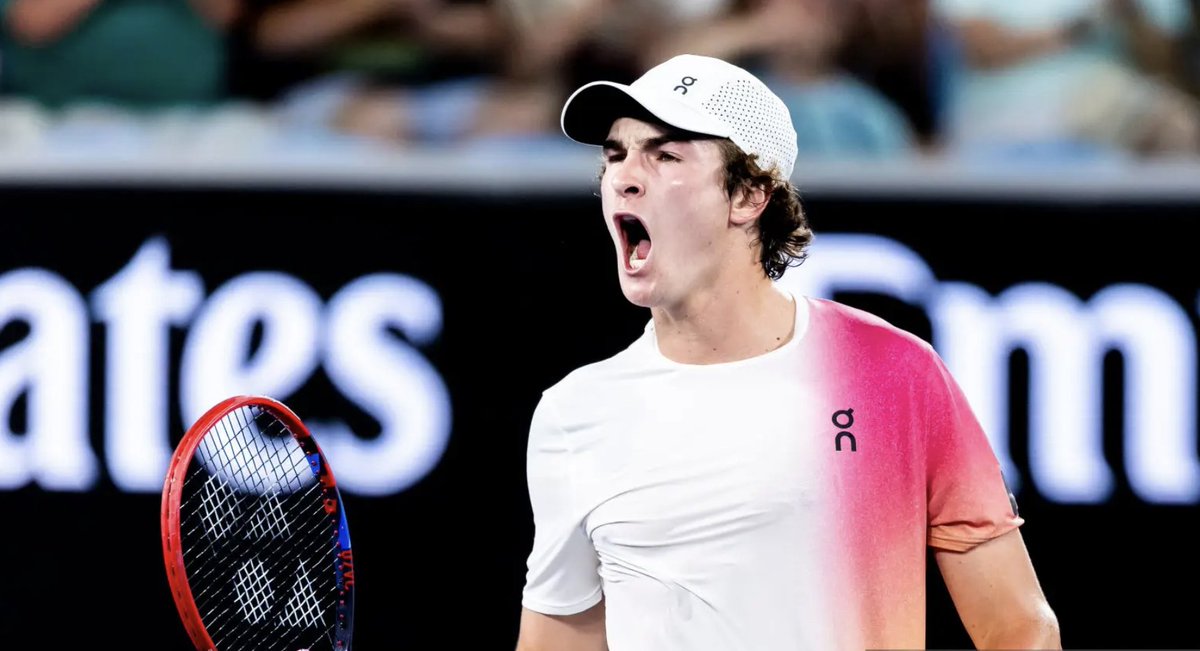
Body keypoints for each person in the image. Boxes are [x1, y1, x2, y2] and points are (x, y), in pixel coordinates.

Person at [515, 53, 1061, 651]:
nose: (624, 176)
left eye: (666, 155)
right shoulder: (573, 415)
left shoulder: (889, 370)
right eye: (615, 154)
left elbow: (1019, 629)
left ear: (749, 196)